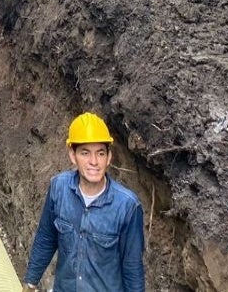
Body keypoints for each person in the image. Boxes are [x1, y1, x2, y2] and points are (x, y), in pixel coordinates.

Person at [23, 112, 146, 292]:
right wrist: (30, 282)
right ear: (73, 155)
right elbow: (46, 238)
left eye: (100, 153)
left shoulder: (127, 207)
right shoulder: (59, 188)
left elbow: (132, 268)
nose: (94, 162)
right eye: (85, 153)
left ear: (109, 157)